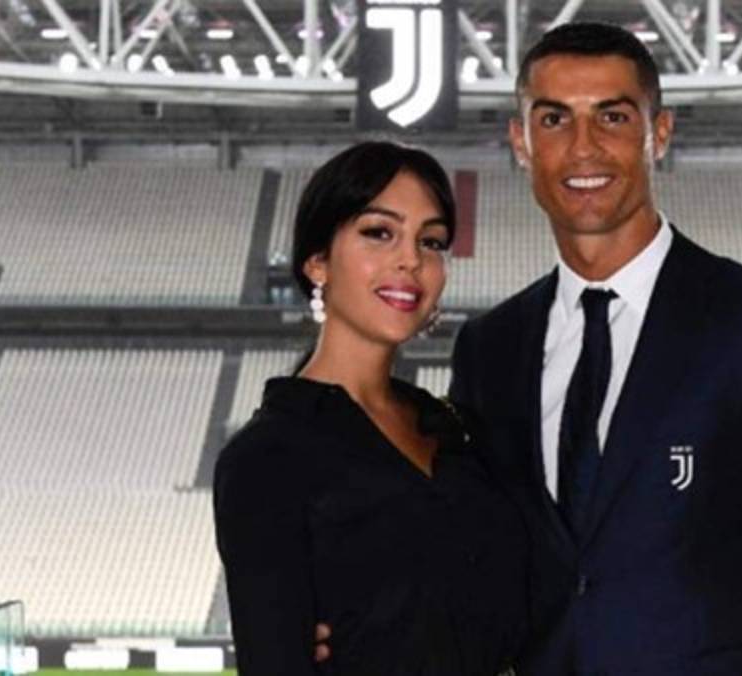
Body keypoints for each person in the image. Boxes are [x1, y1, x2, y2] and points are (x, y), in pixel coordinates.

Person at [318, 22, 742, 675]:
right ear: (521, 142)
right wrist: (355, 620)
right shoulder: (492, 348)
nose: (583, 147)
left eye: (613, 117)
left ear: (659, 133)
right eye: (554, 119)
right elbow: (476, 559)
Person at [213, 141, 526, 676]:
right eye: (379, 232)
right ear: (317, 262)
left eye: (431, 241)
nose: (411, 259)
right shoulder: (267, 457)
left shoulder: (454, 429)